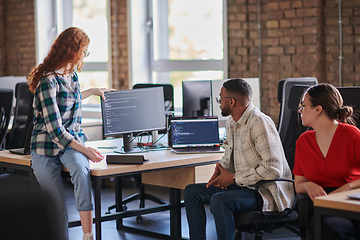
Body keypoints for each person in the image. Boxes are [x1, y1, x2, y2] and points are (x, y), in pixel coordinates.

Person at [27, 27, 113, 240]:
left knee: (82, 175)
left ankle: (87, 235)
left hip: (71, 142)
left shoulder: (72, 74)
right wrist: (86, 150)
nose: (84, 55)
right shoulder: (47, 81)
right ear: (70, 50)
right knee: (55, 201)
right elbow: (56, 131)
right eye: (83, 50)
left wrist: (93, 91)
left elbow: (68, 99)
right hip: (46, 146)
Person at [184, 78, 295, 240]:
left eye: (220, 99)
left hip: (265, 192)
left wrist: (234, 178)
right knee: (191, 192)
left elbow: (273, 169)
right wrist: (221, 168)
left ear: (232, 102)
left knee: (219, 200)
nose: (219, 102)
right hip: (244, 186)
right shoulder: (233, 122)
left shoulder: (259, 122)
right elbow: (230, 153)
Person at [294, 83, 360, 240]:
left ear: (318, 110)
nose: (300, 110)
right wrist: (309, 185)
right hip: (322, 204)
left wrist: (347, 187)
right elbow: (298, 184)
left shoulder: (352, 135)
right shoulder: (303, 141)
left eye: (303, 105)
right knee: (333, 228)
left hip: (351, 200)